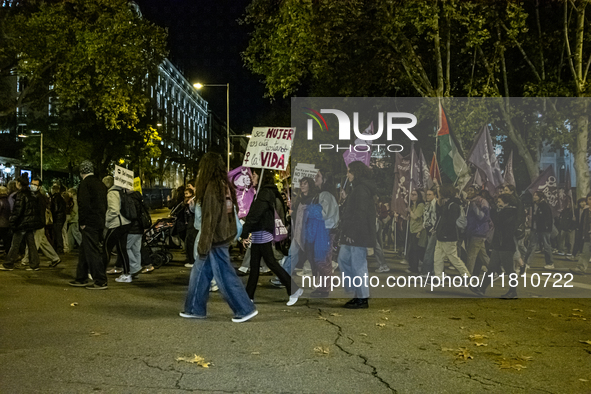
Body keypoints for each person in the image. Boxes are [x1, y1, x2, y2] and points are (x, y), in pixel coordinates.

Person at [181, 152, 258, 322]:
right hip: (222, 236)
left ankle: (244, 308)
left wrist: (203, 243)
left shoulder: (212, 188)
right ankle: (194, 308)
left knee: (224, 275)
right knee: (199, 274)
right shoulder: (224, 185)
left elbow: (210, 218)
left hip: (215, 238)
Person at [242, 169, 302, 305]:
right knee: (255, 264)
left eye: (255, 175)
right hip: (260, 231)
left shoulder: (264, 193)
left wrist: (245, 232)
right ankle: (248, 296)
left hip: (262, 231)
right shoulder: (263, 192)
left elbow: (255, 214)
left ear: (262, 177)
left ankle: (294, 289)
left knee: (270, 263)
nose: (253, 178)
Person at [338, 161, 376, 309]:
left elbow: (360, 213)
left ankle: (362, 297)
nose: (347, 174)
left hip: (359, 233)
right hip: (352, 232)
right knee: (343, 260)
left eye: (349, 172)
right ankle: (356, 291)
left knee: (358, 265)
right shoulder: (357, 189)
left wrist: (352, 233)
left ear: (356, 172)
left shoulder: (361, 189)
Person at [69, 160, 108, 289]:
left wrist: (83, 222)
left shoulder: (85, 185)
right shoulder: (101, 184)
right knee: (85, 250)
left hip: (89, 222)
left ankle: (100, 280)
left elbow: (83, 205)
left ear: (81, 171)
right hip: (99, 221)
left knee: (92, 251)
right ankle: (81, 277)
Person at [472, 194, 518, 298]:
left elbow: (499, 223)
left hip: (506, 245)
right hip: (499, 244)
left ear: (507, 202)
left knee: (509, 270)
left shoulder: (509, 212)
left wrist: (494, 211)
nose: (498, 204)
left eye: (500, 202)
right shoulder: (504, 212)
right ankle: (482, 288)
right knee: (492, 268)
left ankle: (513, 291)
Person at [0, 176, 42, 271]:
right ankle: (35, 264)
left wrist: (12, 221)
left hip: (21, 223)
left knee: (15, 244)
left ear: (19, 183)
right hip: (29, 223)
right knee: (31, 244)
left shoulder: (20, 195)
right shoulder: (30, 194)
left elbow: (18, 211)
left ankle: (9, 263)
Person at [433, 184, 471, 279]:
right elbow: (440, 216)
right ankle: (438, 277)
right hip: (442, 235)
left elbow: (450, 222)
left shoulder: (453, 205)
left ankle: (466, 275)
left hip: (448, 236)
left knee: (453, 258)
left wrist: (444, 233)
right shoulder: (447, 204)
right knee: (438, 258)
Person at [21, 178, 61, 268]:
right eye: (32, 184)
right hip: (37, 224)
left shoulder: (39, 198)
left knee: (33, 244)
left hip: (38, 224)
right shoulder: (36, 196)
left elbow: (39, 212)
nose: (33, 186)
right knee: (43, 243)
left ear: (39, 187)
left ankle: (26, 260)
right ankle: (55, 258)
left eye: (35, 184)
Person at [103, 176, 132, 283]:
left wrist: (106, 221)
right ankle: (126, 274)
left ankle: (100, 273)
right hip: (126, 222)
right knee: (122, 249)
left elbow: (114, 210)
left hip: (116, 224)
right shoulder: (121, 191)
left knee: (106, 247)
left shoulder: (111, 193)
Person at [523, 191, 555, 269]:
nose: (534, 196)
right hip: (535, 228)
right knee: (532, 245)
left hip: (543, 229)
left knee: (546, 246)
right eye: (534, 195)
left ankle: (550, 263)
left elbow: (547, 218)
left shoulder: (544, 205)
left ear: (540, 197)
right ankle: (526, 263)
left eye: (536, 195)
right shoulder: (533, 205)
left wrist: (546, 227)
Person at [464, 186, 491, 276]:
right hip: (473, 231)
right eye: (468, 190)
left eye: (471, 190)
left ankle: (467, 275)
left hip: (479, 231)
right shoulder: (469, 202)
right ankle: (495, 270)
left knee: (471, 255)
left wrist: (474, 207)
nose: (469, 192)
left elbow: (483, 217)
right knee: (482, 255)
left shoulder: (482, 202)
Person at [570, 193, 591, 275]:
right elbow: (582, 224)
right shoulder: (585, 211)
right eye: (589, 199)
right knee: (585, 253)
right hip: (587, 236)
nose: (590, 201)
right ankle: (580, 268)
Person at [406, 189, 425, 274]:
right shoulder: (413, 205)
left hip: (417, 230)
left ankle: (415, 268)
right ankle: (412, 266)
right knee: (412, 250)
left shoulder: (420, 205)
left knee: (415, 250)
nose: (412, 196)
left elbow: (416, 216)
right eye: (411, 194)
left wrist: (410, 211)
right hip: (412, 229)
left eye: (414, 195)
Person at [421, 187, 438, 277]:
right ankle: (431, 271)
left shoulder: (435, 204)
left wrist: (433, 228)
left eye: (429, 194)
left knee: (429, 251)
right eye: (427, 194)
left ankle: (427, 271)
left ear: (434, 195)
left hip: (433, 230)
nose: (427, 196)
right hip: (428, 229)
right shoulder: (428, 204)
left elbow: (435, 217)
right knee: (430, 251)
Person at [50, 184, 67, 254]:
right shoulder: (61, 198)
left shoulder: (55, 198)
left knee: (57, 232)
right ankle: (59, 247)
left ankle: (59, 247)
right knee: (59, 232)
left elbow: (55, 209)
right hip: (62, 217)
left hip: (57, 217)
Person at [0, 186, 12, 255]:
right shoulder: (7, 201)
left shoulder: (1, 201)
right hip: (6, 223)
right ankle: (8, 253)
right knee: (6, 240)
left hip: (1, 223)